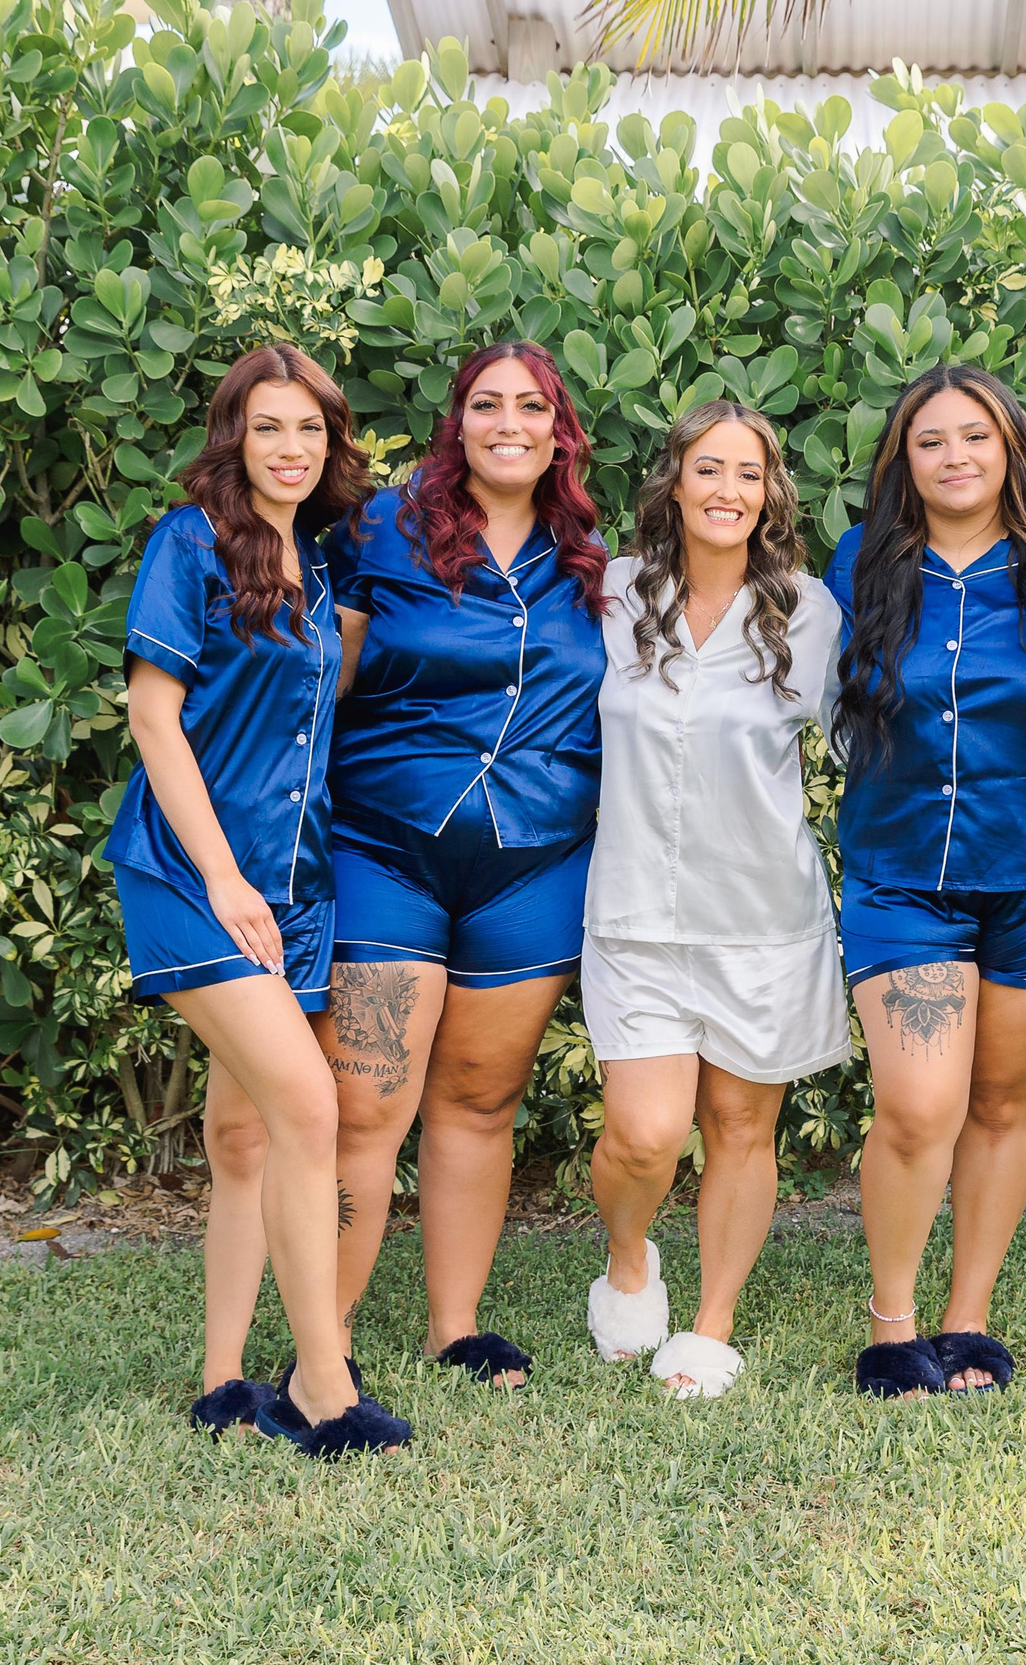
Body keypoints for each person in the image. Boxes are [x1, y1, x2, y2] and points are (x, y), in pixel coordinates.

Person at [112, 344, 411, 1458]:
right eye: (268, 427)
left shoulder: (324, 567)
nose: (290, 450)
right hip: (196, 879)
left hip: (298, 886)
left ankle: (223, 1379)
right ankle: (323, 1385)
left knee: (242, 1134)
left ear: (333, 445)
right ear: (233, 435)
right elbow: (153, 718)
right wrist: (224, 878)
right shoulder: (190, 544)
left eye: (311, 431)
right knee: (309, 1110)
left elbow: (315, 716)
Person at [317, 341, 608, 1389]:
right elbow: (321, 685)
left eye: (532, 406)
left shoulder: (591, 559)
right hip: (385, 850)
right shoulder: (381, 534)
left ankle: (455, 1325)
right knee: (365, 1106)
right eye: (487, 405)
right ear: (457, 422)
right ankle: (329, 1337)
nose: (508, 424)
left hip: (533, 868)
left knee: (481, 1102)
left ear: (559, 430)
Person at [828, 364, 1026, 1399]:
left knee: (998, 1104)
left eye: (974, 437)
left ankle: (967, 1317)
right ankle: (892, 1321)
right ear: (903, 460)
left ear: (1011, 449)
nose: (954, 458)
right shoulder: (862, 563)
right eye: (929, 441)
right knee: (915, 1108)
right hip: (903, 878)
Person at [579, 400, 851, 1400]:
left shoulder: (811, 613)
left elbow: (869, 747)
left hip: (763, 922)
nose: (727, 490)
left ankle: (710, 1327)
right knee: (642, 1136)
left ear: (771, 493)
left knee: (742, 1130)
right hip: (634, 920)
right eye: (708, 470)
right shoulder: (610, 596)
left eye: (747, 473)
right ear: (674, 484)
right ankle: (627, 1259)